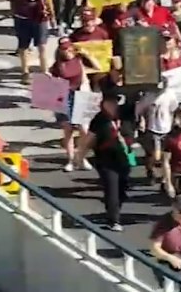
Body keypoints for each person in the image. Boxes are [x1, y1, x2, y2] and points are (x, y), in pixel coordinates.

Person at [79, 94, 133, 231]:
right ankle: (114, 220)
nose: (114, 105)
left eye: (115, 102)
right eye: (110, 102)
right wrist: (80, 156)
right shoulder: (99, 120)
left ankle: (114, 209)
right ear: (103, 104)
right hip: (106, 160)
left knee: (123, 188)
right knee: (111, 189)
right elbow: (89, 139)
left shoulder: (124, 115)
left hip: (125, 159)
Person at [49, 38, 98, 172]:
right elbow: (52, 81)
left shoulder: (79, 59)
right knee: (68, 130)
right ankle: (71, 160)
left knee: (84, 130)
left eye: (70, 49)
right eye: (65, 49)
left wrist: (87, 54)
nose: (68, 52)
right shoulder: (57, 65)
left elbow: (97, 67)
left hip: (82, 94)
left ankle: (81, 157)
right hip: (65, 96)